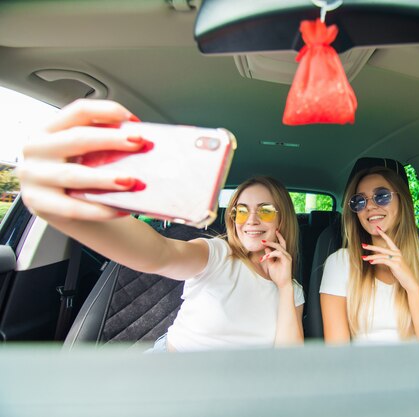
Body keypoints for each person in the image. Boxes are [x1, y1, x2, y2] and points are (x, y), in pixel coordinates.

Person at [17, 99, 304, 351]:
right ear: (232, 219)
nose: (251, 220)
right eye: (241, 211)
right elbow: (160, 253)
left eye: (265, 211)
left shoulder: (291, 287)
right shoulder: (217, 254)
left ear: (282, 218)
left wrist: (284, 287)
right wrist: (70, 209)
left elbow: (287, 362)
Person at [320, 166, 419, 344]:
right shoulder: (340, 263)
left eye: (382, 196)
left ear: (403, 202)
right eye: (360, 201)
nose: (370, 206)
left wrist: (411, 284)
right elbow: (336, 350)